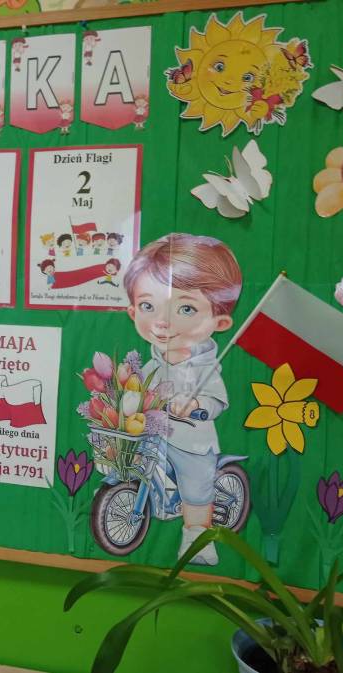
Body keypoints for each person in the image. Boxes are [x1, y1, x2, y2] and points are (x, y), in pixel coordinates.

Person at [123, 233, 242, 565]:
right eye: (148, 306)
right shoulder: (152, 363)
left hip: (192, 440)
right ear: (132, 311)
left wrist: (197, 406)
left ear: (220, 322)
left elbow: (216, 400)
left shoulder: (204, 366)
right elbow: (140, 389)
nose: (163, 322)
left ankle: (197, 535)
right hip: (155, 435)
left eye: (186, 308)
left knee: (196, 483)